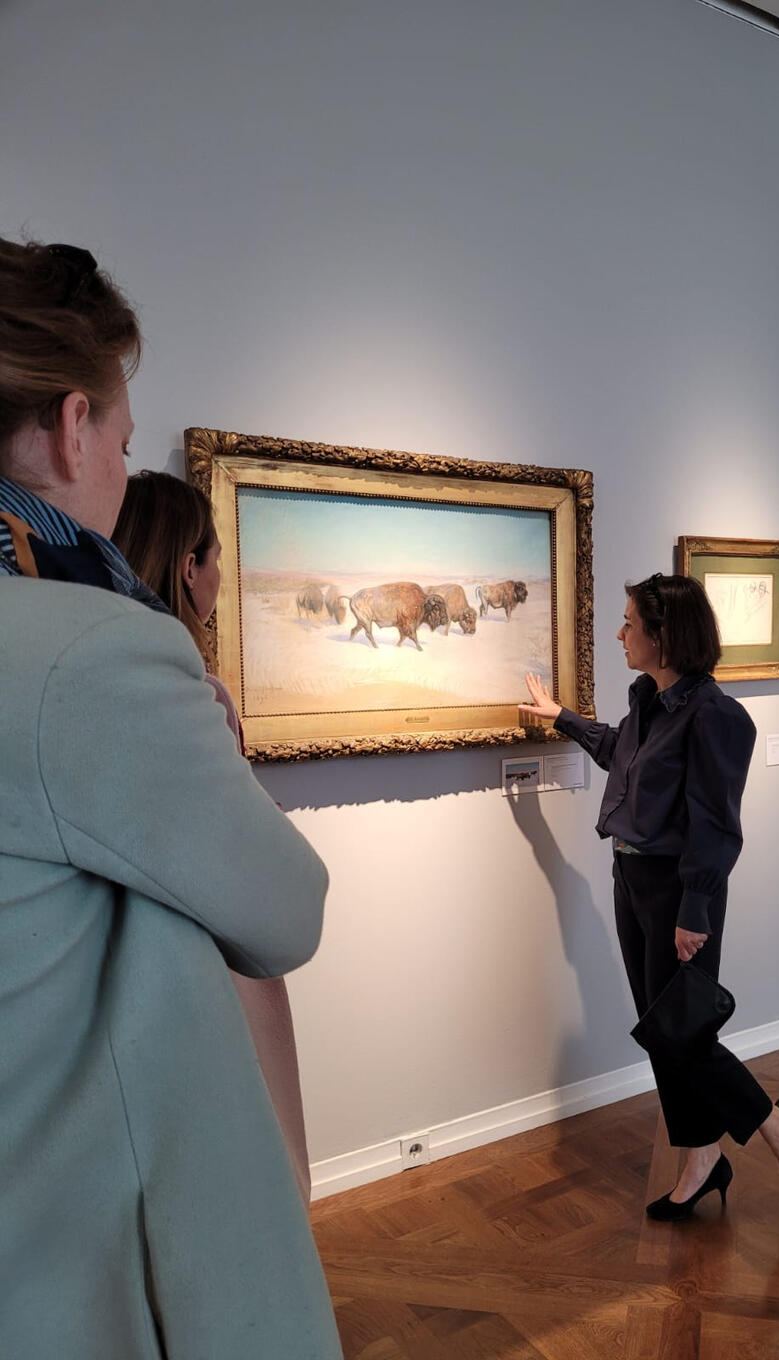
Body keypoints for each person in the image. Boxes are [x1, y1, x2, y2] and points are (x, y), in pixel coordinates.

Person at [0, 237, 343, 1358]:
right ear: (72, 427)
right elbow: (286, 908)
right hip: (74, 1244)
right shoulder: (90, 653)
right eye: (122, 437)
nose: (119, 463)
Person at [520, 573, 779, 1221]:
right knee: (664, 1034)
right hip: (631, 880)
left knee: (683, 1033)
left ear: (664, 635)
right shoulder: (650, 702)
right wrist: (563, 718)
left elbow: (716, 825)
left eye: (630, 623)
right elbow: (624, 757)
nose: (620, 634)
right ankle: (702, 1156)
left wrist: (694, 910)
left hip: (678, 891)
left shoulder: (716, 717)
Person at [112, 469, 312, 1204]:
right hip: (212, 954)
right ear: (189, 568)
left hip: (124, 968)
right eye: (217, 557)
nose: (221, 576)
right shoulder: (199, 694)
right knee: (262, 1167)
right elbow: (243, 855)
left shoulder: (101, 680)